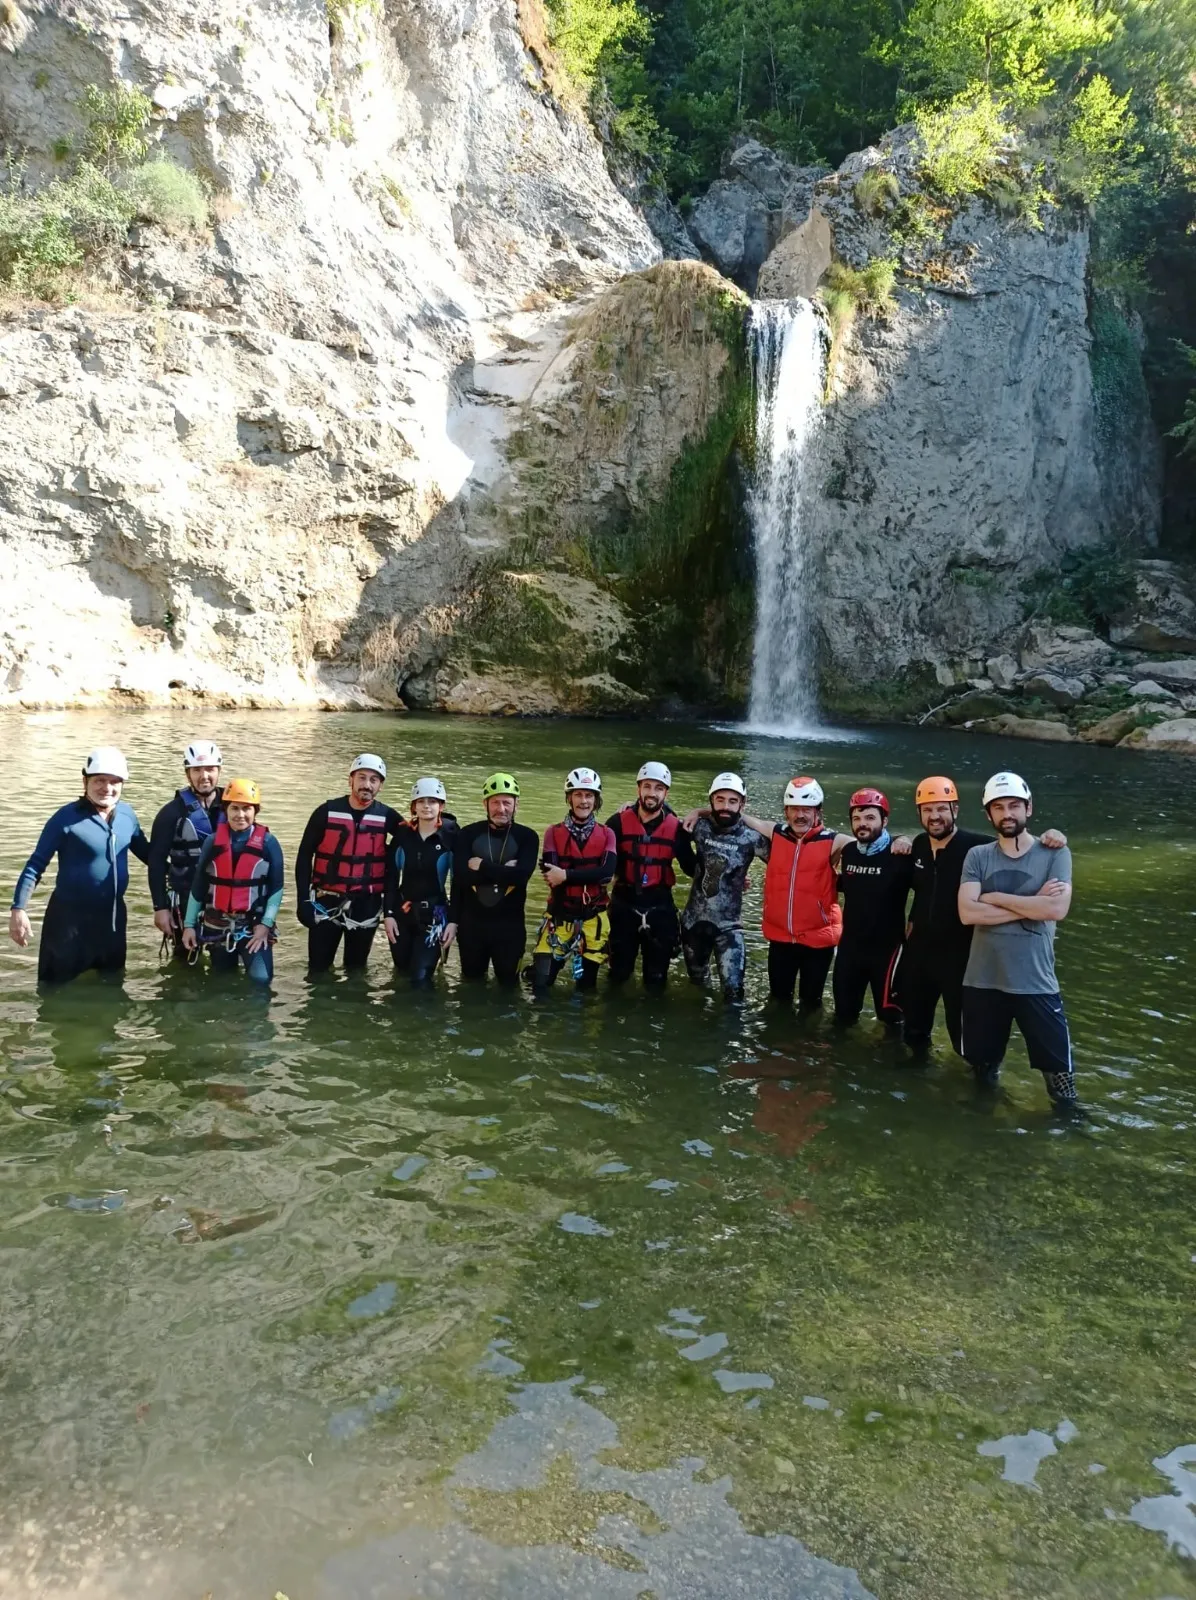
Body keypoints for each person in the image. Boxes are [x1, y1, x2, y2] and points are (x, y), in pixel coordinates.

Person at [898, 775, 1066, 1055]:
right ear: (919, 814)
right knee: (913, 1029)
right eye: (927, 810)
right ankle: (917, 1080)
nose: (935, 816)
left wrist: (1051, 837)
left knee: (963, 1037)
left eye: (941, 808)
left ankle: (972, 1086)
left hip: (962, 956)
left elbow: (1016, 845)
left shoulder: (976, 848)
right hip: (919, 953)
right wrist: (898, 839)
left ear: (955, 810)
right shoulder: (917, 846)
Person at [957, 771, 1078, 1110]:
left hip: (1035, 982)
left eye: (1014, 806)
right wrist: (1031, 905)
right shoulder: (978, 856)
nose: (1007, 813)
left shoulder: (1055, 852)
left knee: (1061, 1079)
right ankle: (982, 1129)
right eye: (998, 807)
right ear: (988, 814)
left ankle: (1067, 1132)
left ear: (1029, 809)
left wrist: (993, 896)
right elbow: (968, 913)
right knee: (982, 1071)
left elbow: (1056, 907)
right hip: (983, 979)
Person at [9, 746, 150, 985]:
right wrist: (18, 909)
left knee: (112, 988)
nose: (107, 788)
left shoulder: (127, 816)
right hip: (68, 924)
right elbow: (35, 864)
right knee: (54, 991)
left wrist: (187, 874)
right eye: (100, 780)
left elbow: (150, 855)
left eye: (115, 781)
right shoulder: (65, 818)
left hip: (112, 922)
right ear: (85, 780)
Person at [294, 754, 401, 973]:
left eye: (374, 780)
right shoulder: (325, 812)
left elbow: (418, 839)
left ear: (380, 786)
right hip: (326, 901)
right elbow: (304, 856)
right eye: (362, 777)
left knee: (356, 970)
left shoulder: (388, 817)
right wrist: (303, 900)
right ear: (350, 780)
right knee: (318, 969)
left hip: (367, 904)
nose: (367, 784)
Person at [752, 777, 849, 1013]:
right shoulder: (776, 833)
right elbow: (738, 816)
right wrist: (700, 812)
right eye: (794, 809)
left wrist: (903, 841)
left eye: (807, 809)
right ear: (786, 811)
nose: (800, 815)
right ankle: (777, 1044)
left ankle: (808, 1046)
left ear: (818, 812)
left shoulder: (833, 841)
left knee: (811, 1002)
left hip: (818, 941)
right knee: (778, 999)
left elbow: (870, 844)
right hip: (781, 938)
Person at [181, 779, 284, 984]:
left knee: (261, 982)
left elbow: (277, 887)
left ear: (256, 811)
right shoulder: (213, 842)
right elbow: (199, 886)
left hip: (254, 928)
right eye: (234, 808)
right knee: (222, 985)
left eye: (247, 808)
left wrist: (266, 924)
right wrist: (189, 925)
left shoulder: (268, 843)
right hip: (218, 926)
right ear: (226, 810)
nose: (240, 815)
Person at [607, 761, 696, 989]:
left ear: (666, 792)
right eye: (647, 786)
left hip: (660, 907)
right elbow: (602, 864)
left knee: (656, 980)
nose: (652, 793)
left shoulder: (677, 827)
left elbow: (692, 867)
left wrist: (732, 876)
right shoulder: (616, 823)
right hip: (624, 904)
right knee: (618, 974)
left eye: (658, 788)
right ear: (638, 789)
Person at [681, 772, 769, 1002]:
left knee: (734, 993)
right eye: (720, 800)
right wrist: (631, 804)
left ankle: (729, 1037)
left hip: (729, 927)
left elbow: (787, 863)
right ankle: (698, 1031)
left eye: (732, 801)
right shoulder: (698, 827)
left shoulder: (752, 838)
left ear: (742, 803)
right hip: (693, 924)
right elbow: (660, 819)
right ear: (711, 801)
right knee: (697, 988)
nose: (725, 807)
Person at [832, 788, 913, 1029]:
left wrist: (905, 838)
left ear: (884, 820)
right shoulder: (848, 852)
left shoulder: (900, 854)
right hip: (850, 950)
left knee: (892, 1023)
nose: (862, 824)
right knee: (843, 1018)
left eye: (869, 818)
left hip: (887, 954)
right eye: (856, 819)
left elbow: (929, 890)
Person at [531, 767, 617, 994]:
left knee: (586, 989)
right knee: (540, 983)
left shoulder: (607, 834)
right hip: (559, 917)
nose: (584, 801)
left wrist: (567, 875)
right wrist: (586, 876)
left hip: (592, 921)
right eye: (578, 795)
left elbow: (607, 873)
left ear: (596, 800)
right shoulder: (553, 832)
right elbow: (551, 876)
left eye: (589, 795)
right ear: (569, 798)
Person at [450, 773, 539, 987]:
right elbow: (461, 878)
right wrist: (504, 872)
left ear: (516, 804)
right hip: (472, 928)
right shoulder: (468, 834)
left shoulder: (528, 837)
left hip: (510, 929)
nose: (501, 809)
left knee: (509, 988)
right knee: (471, 988)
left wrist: (482, 865)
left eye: (507, 802)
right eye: (495, 802)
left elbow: (521, 877)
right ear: (485, 804)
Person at [147, 739, 225, 958]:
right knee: (185, 961)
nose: (204, 776)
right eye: (196, 770)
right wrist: (160, 908)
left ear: (219, 770)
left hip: (224, 898)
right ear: (187, 774)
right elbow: (155, 863)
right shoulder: (170, 813)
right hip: (184, 896)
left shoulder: (234, 808)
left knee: (224, 961)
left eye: (210, 769)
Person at [384, 777, 457, 987]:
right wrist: (388, 914)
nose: (426, 806)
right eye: (421, 801)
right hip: (402, 912)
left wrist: (453, 921)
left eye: (432, 801)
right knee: (402, 972)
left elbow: (458, 883)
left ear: (441, 806)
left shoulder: (451, 837)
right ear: (413, 806)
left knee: (420, 978)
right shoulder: (402, 835)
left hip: (435, 916)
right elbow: (391, 878)